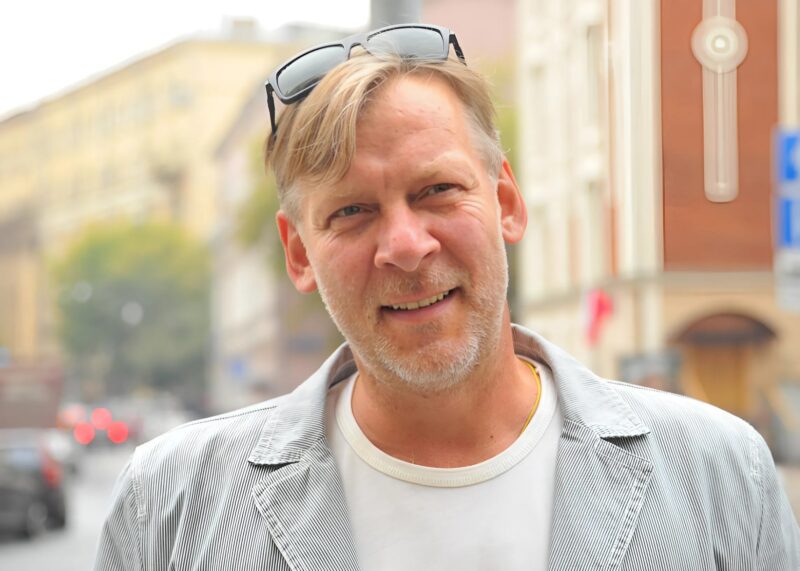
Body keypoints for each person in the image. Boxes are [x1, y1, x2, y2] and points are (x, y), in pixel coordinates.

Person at [95, 24, 799, 570]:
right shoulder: (173, 502)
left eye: (437, 190)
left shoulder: (715, 472)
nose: (405, 245)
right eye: (351, 212)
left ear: (507, 202)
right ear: (299, 253)